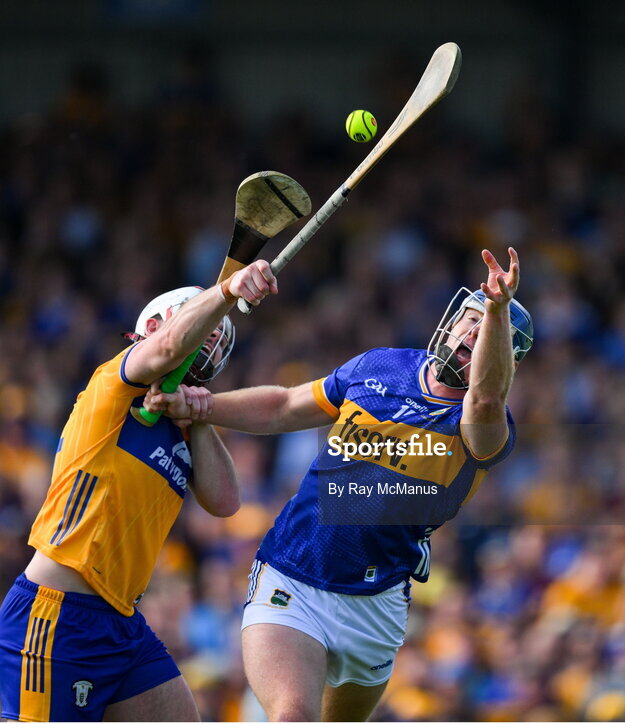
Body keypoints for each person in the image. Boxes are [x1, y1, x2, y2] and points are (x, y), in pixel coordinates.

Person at [147, 247, 532, 721]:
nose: (473, 333)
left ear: (507, 358)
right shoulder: (381, 367)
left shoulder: (489, 429)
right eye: (469, 319)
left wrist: (497, 310)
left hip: (377, 605)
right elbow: (284, 406)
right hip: (292, 574)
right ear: (451, 321)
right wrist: (201, 406)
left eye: (491, 331)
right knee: (293, 715)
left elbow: (487, 395)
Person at [0, 261, 277, 722]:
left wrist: (198, 419)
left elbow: (225, 502)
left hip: (120, 622)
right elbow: (166, 348)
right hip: (56, 613)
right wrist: (226, 290)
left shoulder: (181, 427)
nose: (208, 338)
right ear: (155, 325)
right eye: (198, 324)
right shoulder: (114, 382)